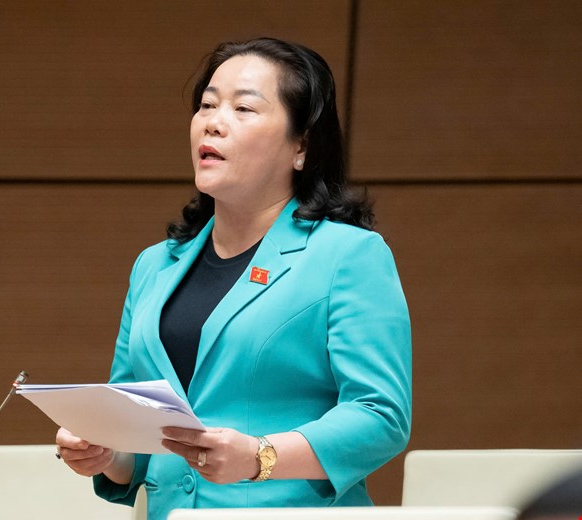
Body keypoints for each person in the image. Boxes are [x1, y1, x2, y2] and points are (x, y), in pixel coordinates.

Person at [55, 37, 412, 519]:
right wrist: (103, 453)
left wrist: (260, 457)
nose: (213, 122)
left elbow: (380, 415)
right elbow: (136, 434)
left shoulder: (347, 255)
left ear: (301, 146)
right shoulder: (154, 266)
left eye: (243, 108)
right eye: (207, 105)